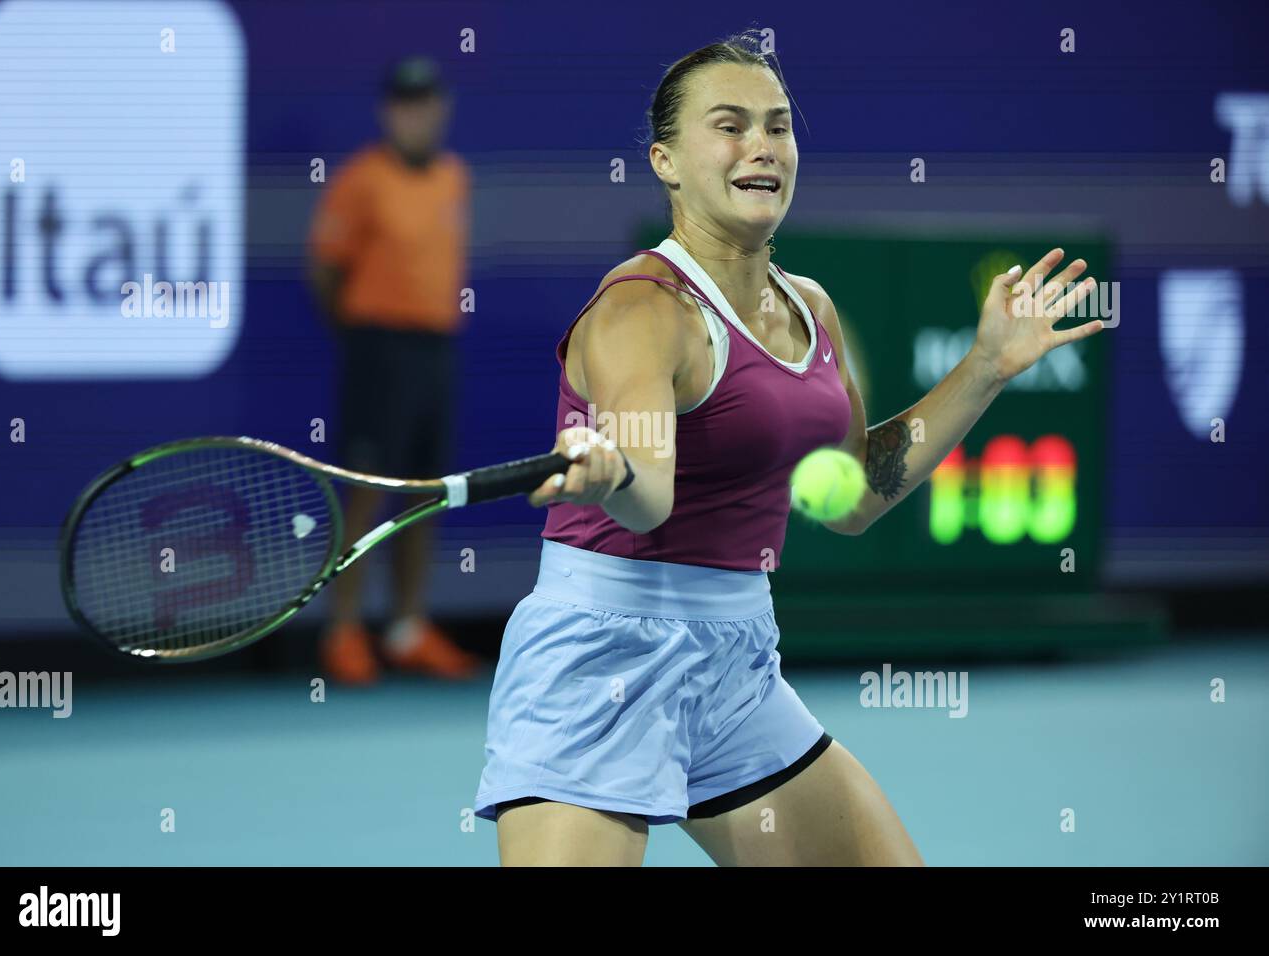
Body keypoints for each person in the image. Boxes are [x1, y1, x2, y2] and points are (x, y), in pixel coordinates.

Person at [471, 31, 1104, 866]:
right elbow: (651, 490)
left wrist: (985, 368)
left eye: (778, 126)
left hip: (737, 665)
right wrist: (614, 471)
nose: (761, 147)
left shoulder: (810, 307)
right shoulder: (641, 309)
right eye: (729, 126)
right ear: (665, 161)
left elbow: (853, 497)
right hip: (602, 660)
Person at [307, 57, 479, 684]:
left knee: (426, 491)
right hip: (377, 350)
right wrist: (365, 331)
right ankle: (345, 631)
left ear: (442, 109)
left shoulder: (454, 177)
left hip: (436, 351)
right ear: (389, 113)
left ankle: (406, 629)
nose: (417, 114)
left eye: (427, 102)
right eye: (405, 104)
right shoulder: (359, 180)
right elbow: (325, 271)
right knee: (367, 487)